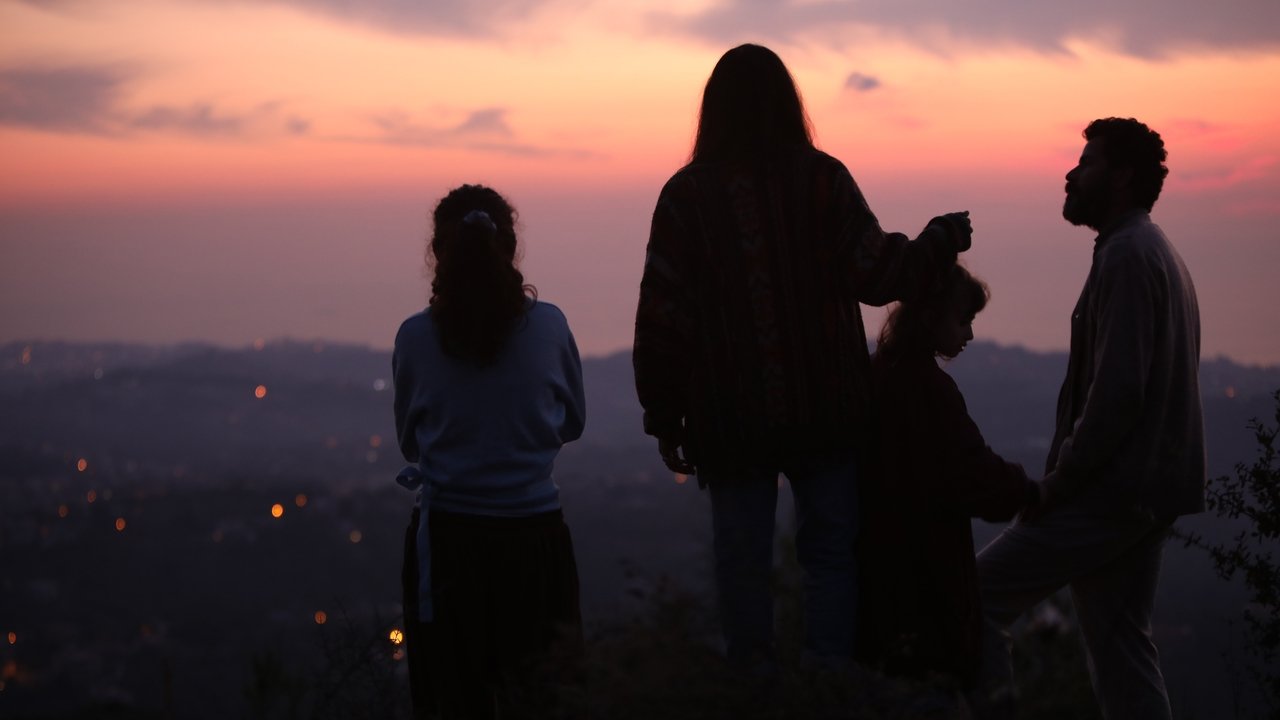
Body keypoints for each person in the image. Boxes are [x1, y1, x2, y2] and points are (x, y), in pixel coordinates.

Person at [632, 43, 973, 671]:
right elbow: (878, 273)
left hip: (732, 415)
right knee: (831, 555)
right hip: (827, 408)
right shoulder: (822, 181)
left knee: (742, 561)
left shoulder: (687, 197)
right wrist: (940, 237)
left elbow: (663, 314)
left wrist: (663, 414)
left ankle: (754, 689)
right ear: (789, 103)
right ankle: (828, 685)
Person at [975, 118, 1204, 720]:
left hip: (1108, 494)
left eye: (1087, 163)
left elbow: (1117, 394)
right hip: (1144, 495)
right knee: (1123, 651)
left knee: (974, 600)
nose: (1071, 174)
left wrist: (1059, 483)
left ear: (1121, 177)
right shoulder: (1151, 250)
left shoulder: (1128, 255)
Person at [393, 184, 587, 719]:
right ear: (511, 247)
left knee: (452, 702)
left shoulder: (414, 337)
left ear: (438, 251)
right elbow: (573, 422)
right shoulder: (550, 326)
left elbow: (410, 442)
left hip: (448, 547)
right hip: (535, 541)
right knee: (545, 701)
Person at [857, 264, 1035, 695]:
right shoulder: (930, 390)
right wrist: (1029, 490)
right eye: (963, 320)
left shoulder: (874, 374)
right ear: (930, 317)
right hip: (927, 583)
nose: (969, 334)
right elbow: (972, 474)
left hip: (874, 579)